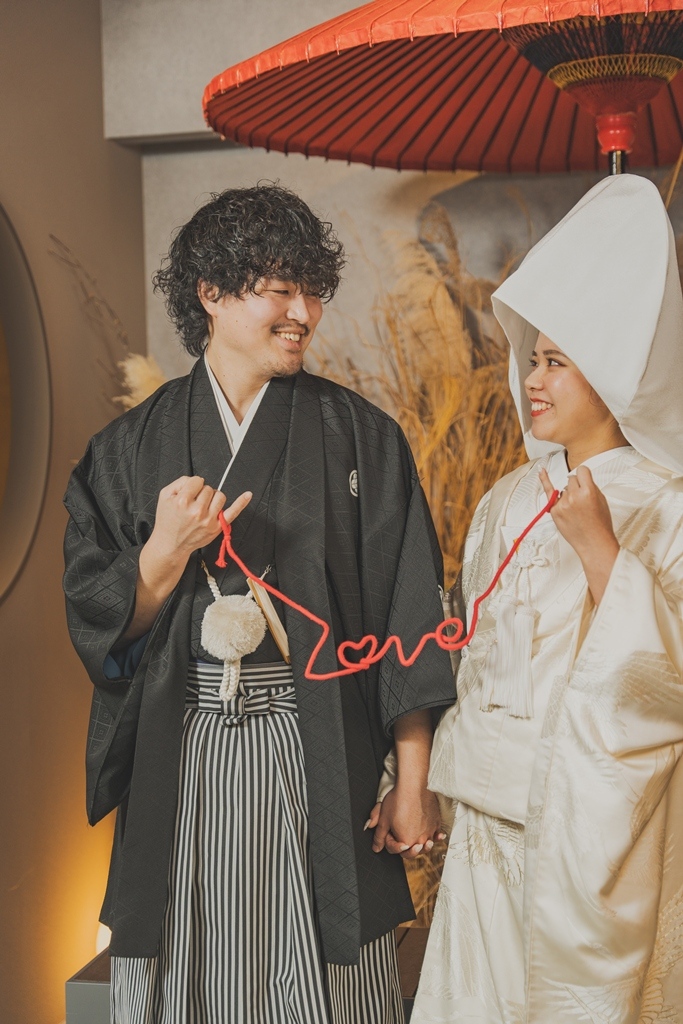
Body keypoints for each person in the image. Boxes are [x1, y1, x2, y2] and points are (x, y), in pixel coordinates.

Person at [62, 184, 455, 1024]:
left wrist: (413, 781)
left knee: (322, 973)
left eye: (312, 291)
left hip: (319, 746)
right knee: (186, 967)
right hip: (183, 744)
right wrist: (163, 555)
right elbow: (97, 624)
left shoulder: (361, 437)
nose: (303, 313)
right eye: (280, 290)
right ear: (210, 292)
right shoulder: (127, 448)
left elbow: (410, 616)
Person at [412, 173, 683, 1023]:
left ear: (613, 374)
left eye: (557, 362)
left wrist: (602, 552)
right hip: (485, 810)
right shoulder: (504, 498)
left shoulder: (666, 503)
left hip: (588, 825)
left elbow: (670, 682)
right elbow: (473, 650)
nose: (532, 380)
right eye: (532, 358)